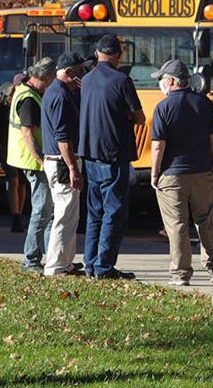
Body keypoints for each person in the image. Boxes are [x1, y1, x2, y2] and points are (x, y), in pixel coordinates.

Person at [149, 58, 213, 286]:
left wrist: (155, 174)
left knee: (177, 225)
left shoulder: (163, 107)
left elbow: (157, 146)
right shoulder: (204, 103)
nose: (160, 84)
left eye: (162, 79)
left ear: (171, 81)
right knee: (205, 220)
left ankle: (181, 274)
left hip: (172, 175)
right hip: (202, 172)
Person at [79, 34, 144, 280]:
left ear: (97, 53)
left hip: (90, 154)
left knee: (94, 211)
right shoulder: (122, 80)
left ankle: (90, 263)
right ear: (119, 55)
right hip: (113, 155)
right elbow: (139, 117)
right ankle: (104, 266)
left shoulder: (86, 80)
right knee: (114, 212)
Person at [9, 58, 56, 272]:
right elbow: (27, 134)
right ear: (45, 77)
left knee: (47, 211)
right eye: (52, 78)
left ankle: (52, 257)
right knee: (41, 211)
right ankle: (31, 260)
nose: (53, 82)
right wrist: (42, 161)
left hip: (31, 160)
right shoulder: (28, 98)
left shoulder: (26, 91)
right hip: (34, 162)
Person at [41, 52, 86, 277]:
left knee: (70, 215)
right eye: (79, 71)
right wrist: (72, 168)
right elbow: (63, 138)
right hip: (61, 162)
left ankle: (65, 262)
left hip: (58, 161)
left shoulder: (59, 92)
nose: (82, 75)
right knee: (64, 214)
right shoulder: (59, 96)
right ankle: (55, 265)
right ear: (68, 73)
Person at [0, 81, 29, 233]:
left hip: (23, 147)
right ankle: (15, 215)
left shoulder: (24, 105)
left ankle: (19, 214)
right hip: (7, 148)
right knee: (13, 180)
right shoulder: (3, 109)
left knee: (22, 182)